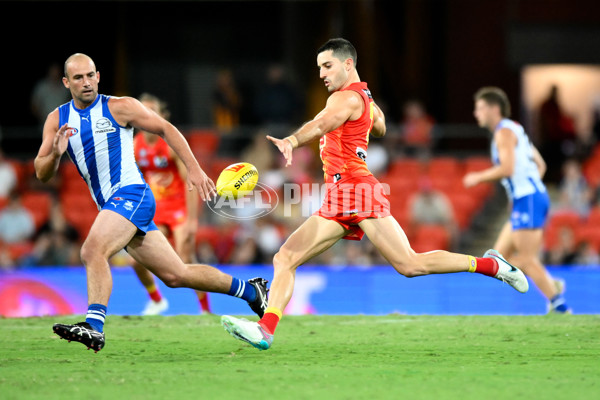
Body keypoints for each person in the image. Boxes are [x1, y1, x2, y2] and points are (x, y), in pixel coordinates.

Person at [220, 39, 529, 351]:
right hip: (339, 196)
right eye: (319, 68)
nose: (322, 74)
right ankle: (265, 330)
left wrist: (293, 140)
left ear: (348, 64)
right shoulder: (363, 98)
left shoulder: (343, 99)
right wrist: (365, 118)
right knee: (285, 257)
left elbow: (321, 123)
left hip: (357, 189)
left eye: (327, 66)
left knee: (410, 265)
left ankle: (492, 265)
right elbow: (379, 126)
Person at [34, 53, 268, 352]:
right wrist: (55, 153)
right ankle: (252, 292)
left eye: (90, 75)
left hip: (132, 194)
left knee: (92, 250)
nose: (86, 82)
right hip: (113, 203)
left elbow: (167, 129)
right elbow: (42, 174)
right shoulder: (57, 119)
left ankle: (94, 325)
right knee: (176, 275)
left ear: (98, 76)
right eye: (78, 78)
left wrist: (194, 169)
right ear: (66, 82)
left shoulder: (120, 107)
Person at [463, 86, 571, 314]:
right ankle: (550, 285)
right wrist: (529, 188)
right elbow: (541, 165)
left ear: (494, 109)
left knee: (525, 259)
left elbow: (508, 168)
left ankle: (559, 305)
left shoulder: (503, 133)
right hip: (528, 198)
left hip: (528, 199)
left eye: (480, 108)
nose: (476, 113)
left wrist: (478, 177)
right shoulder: (516, 130)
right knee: (497, 257)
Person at [133, 93, 211, 315]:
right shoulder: (133, 146)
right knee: (136, 261)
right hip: (154, 210)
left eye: (151, 111)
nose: (146, 116)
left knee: (185, 259)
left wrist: (192, 220)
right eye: (142, 111)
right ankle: (156, 300)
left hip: (178, 208)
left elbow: (191, 181)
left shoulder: (169, 145)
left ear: (160, 115)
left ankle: (205, 310)